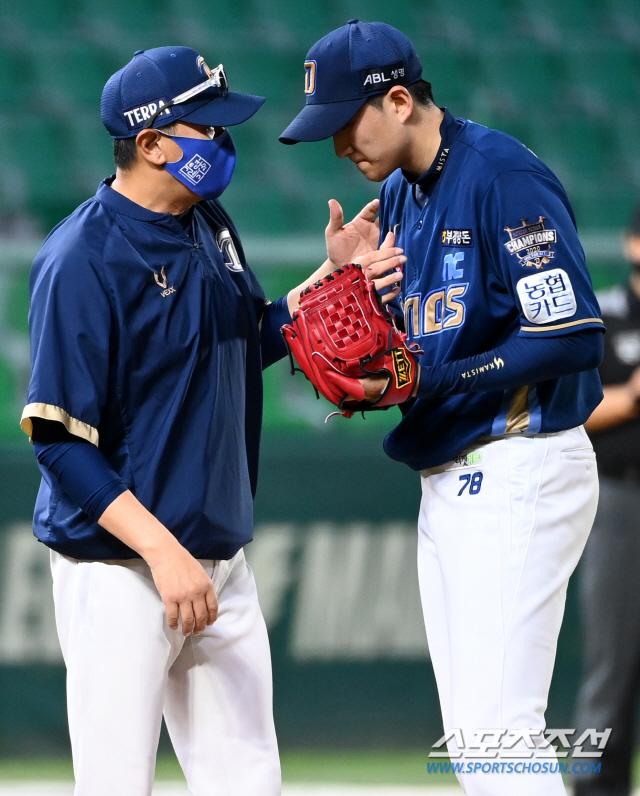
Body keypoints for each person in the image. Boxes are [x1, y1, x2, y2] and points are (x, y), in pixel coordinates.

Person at [20, 46, 404, 796]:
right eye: (205, 126)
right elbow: (61, 445)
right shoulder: (80, 258)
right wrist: (163, 555)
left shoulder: (207, 222)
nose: (223, 140)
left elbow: (239, 339)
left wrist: (329, 281)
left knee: (249, 781)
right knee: (116, 785)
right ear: (151, 143)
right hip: (122, 568)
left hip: (219, 559)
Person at [280, 20, 605, 796]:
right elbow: (407, 349)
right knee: (474, 744)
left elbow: (570, 335)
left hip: (518, 456)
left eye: (346, 123)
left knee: (499, 736)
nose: (338, 147)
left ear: (399, 101)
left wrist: (431, 378)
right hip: (452, 473)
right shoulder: (399, 193)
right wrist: (353, 284)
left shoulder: (502, 176)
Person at [572, 205, 640, 796]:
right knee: (612, 657)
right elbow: (570, 407)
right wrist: (633, 396)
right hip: (621, 497)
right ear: (632, 243)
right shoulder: (604, 315)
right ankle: (594, 785)